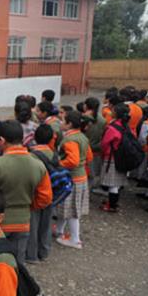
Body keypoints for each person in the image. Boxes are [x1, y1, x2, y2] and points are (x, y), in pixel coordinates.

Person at [0, 120, 52, 265]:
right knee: (17, 264)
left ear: (1, 140)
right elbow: (45, 197)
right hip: (23, 221)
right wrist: (29, 206)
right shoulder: (38, 165)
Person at [56, 111, 93, 250]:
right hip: (81, 176)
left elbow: (73, 160)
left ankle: (75, 239)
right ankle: (59, 230)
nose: (60, 122)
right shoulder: (82, 137)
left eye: (62, 120)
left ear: (69, 124)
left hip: (72, 178)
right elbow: (89, 157)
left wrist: (58, 163)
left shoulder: (70, 139)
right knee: (67, 206)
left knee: (72, 210)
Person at [27, 125, 56, 263]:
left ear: (34, 137)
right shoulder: (53, 154)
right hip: (50, 193)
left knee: (33, 225)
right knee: (46, 225)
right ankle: (44, 251)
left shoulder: (31, 155)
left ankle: (32, 255)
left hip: (35, 194)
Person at [100, 103, 130, 213]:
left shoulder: (112, 127)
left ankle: (112, 205)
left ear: (116, 113)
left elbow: (104, 143)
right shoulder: (125, 126)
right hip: (122, 157)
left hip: (112, 157)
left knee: (112, 184)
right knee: (116, 183)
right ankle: (113, 202)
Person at [83, 97, 106, 191]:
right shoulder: (102, 120)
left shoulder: (84, 118)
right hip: (97, 149)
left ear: (86, 106)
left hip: (85, 149)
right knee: (93, 172)